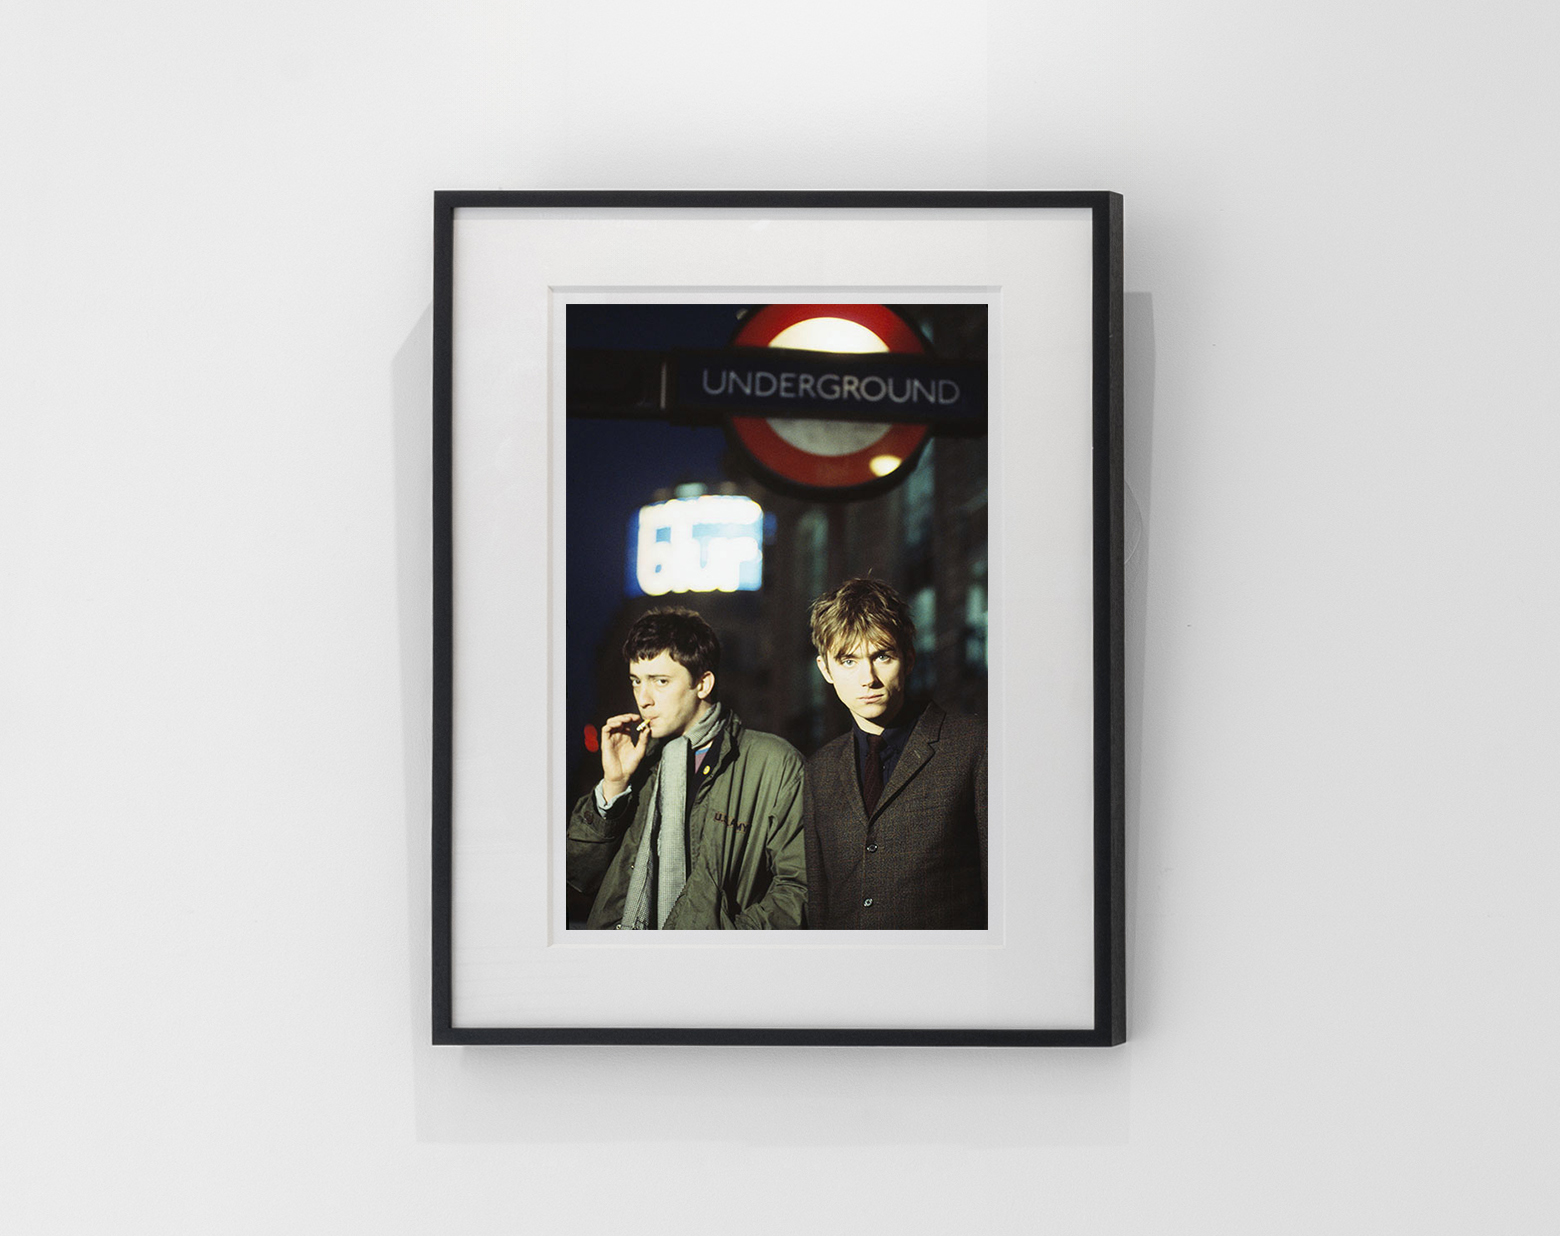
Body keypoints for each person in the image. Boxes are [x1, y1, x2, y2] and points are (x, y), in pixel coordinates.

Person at [567, 607, 806, 929]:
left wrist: (724, 942)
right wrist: (613, 786)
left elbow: (799, 889)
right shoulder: (638, 761)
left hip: (714, 968)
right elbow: (579, 876)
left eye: (660, 681)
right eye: (636, 681)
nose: (644, 698)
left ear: (703, 684)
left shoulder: (773, 762)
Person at [802, 578, 987, 929]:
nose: (867, 678)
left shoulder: (974, 747)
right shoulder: (820, 770)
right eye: (848, 661)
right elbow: (820, 907)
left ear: (909, 658)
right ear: (826, 669)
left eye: (881, 656)